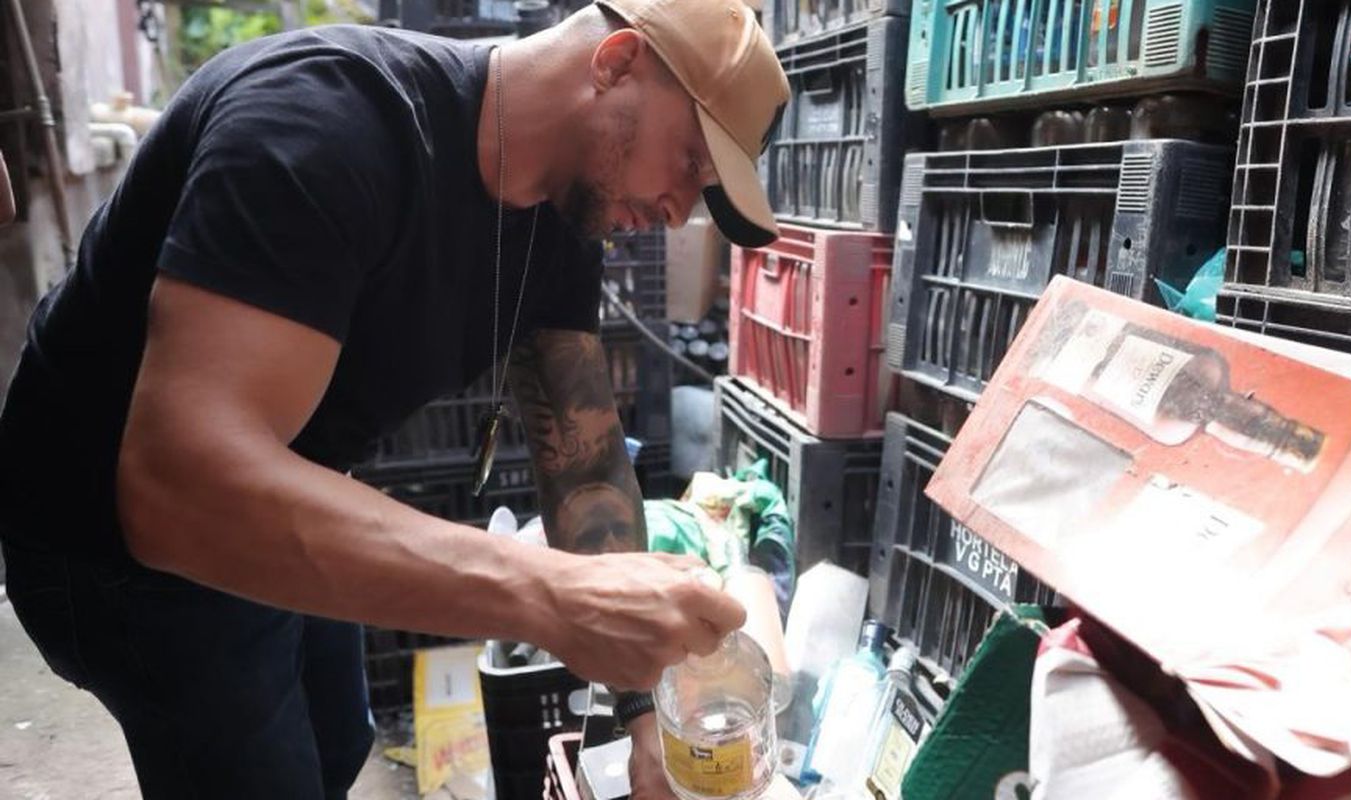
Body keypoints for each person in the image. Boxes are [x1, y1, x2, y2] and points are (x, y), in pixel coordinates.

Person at [0, 0, 790, 796]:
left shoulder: (562, 217)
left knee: (338, 742)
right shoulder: (324, 125)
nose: (679, 213)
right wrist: (546, 593)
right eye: (689, 161)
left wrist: (647, 711)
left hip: (291, 475)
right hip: (112, 533)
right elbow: (178, 489)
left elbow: (585, 473)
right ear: (616, 63)